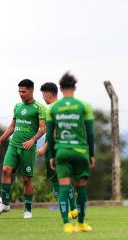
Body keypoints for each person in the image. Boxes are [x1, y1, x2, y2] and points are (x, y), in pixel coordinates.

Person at [46, 72, 95, 233]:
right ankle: (81, 224)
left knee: (64, 188)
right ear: (74, 87)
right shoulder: (83, 106)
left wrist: (52, 156)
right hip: (80, 151)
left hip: (62, 152)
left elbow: (49, 134)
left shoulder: (54, 108)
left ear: (60, 89)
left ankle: (67, 224)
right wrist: (91, 154)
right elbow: (90, 133)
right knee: (81, 188)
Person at [0, 79, 46, 219]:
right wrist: (0, 140)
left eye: (23, 91)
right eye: (19, 91)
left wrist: (32, 140)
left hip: (27, 147)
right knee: (6, 170)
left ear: (31, 90)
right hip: (13, 144)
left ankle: (28, 210)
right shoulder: (17, 106)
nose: (21, 94)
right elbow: (12, 127)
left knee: (27, 179)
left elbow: (43, 128)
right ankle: (5, 204)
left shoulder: (39, 107)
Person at [37, 82, 78, 219]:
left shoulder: (51, 109)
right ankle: (74, 210)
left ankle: (65, 213)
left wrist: (44, 147)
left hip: (54, 149)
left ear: (48, 93)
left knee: (56, 181)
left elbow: (53, 132)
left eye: (43, 94)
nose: (42, 97)